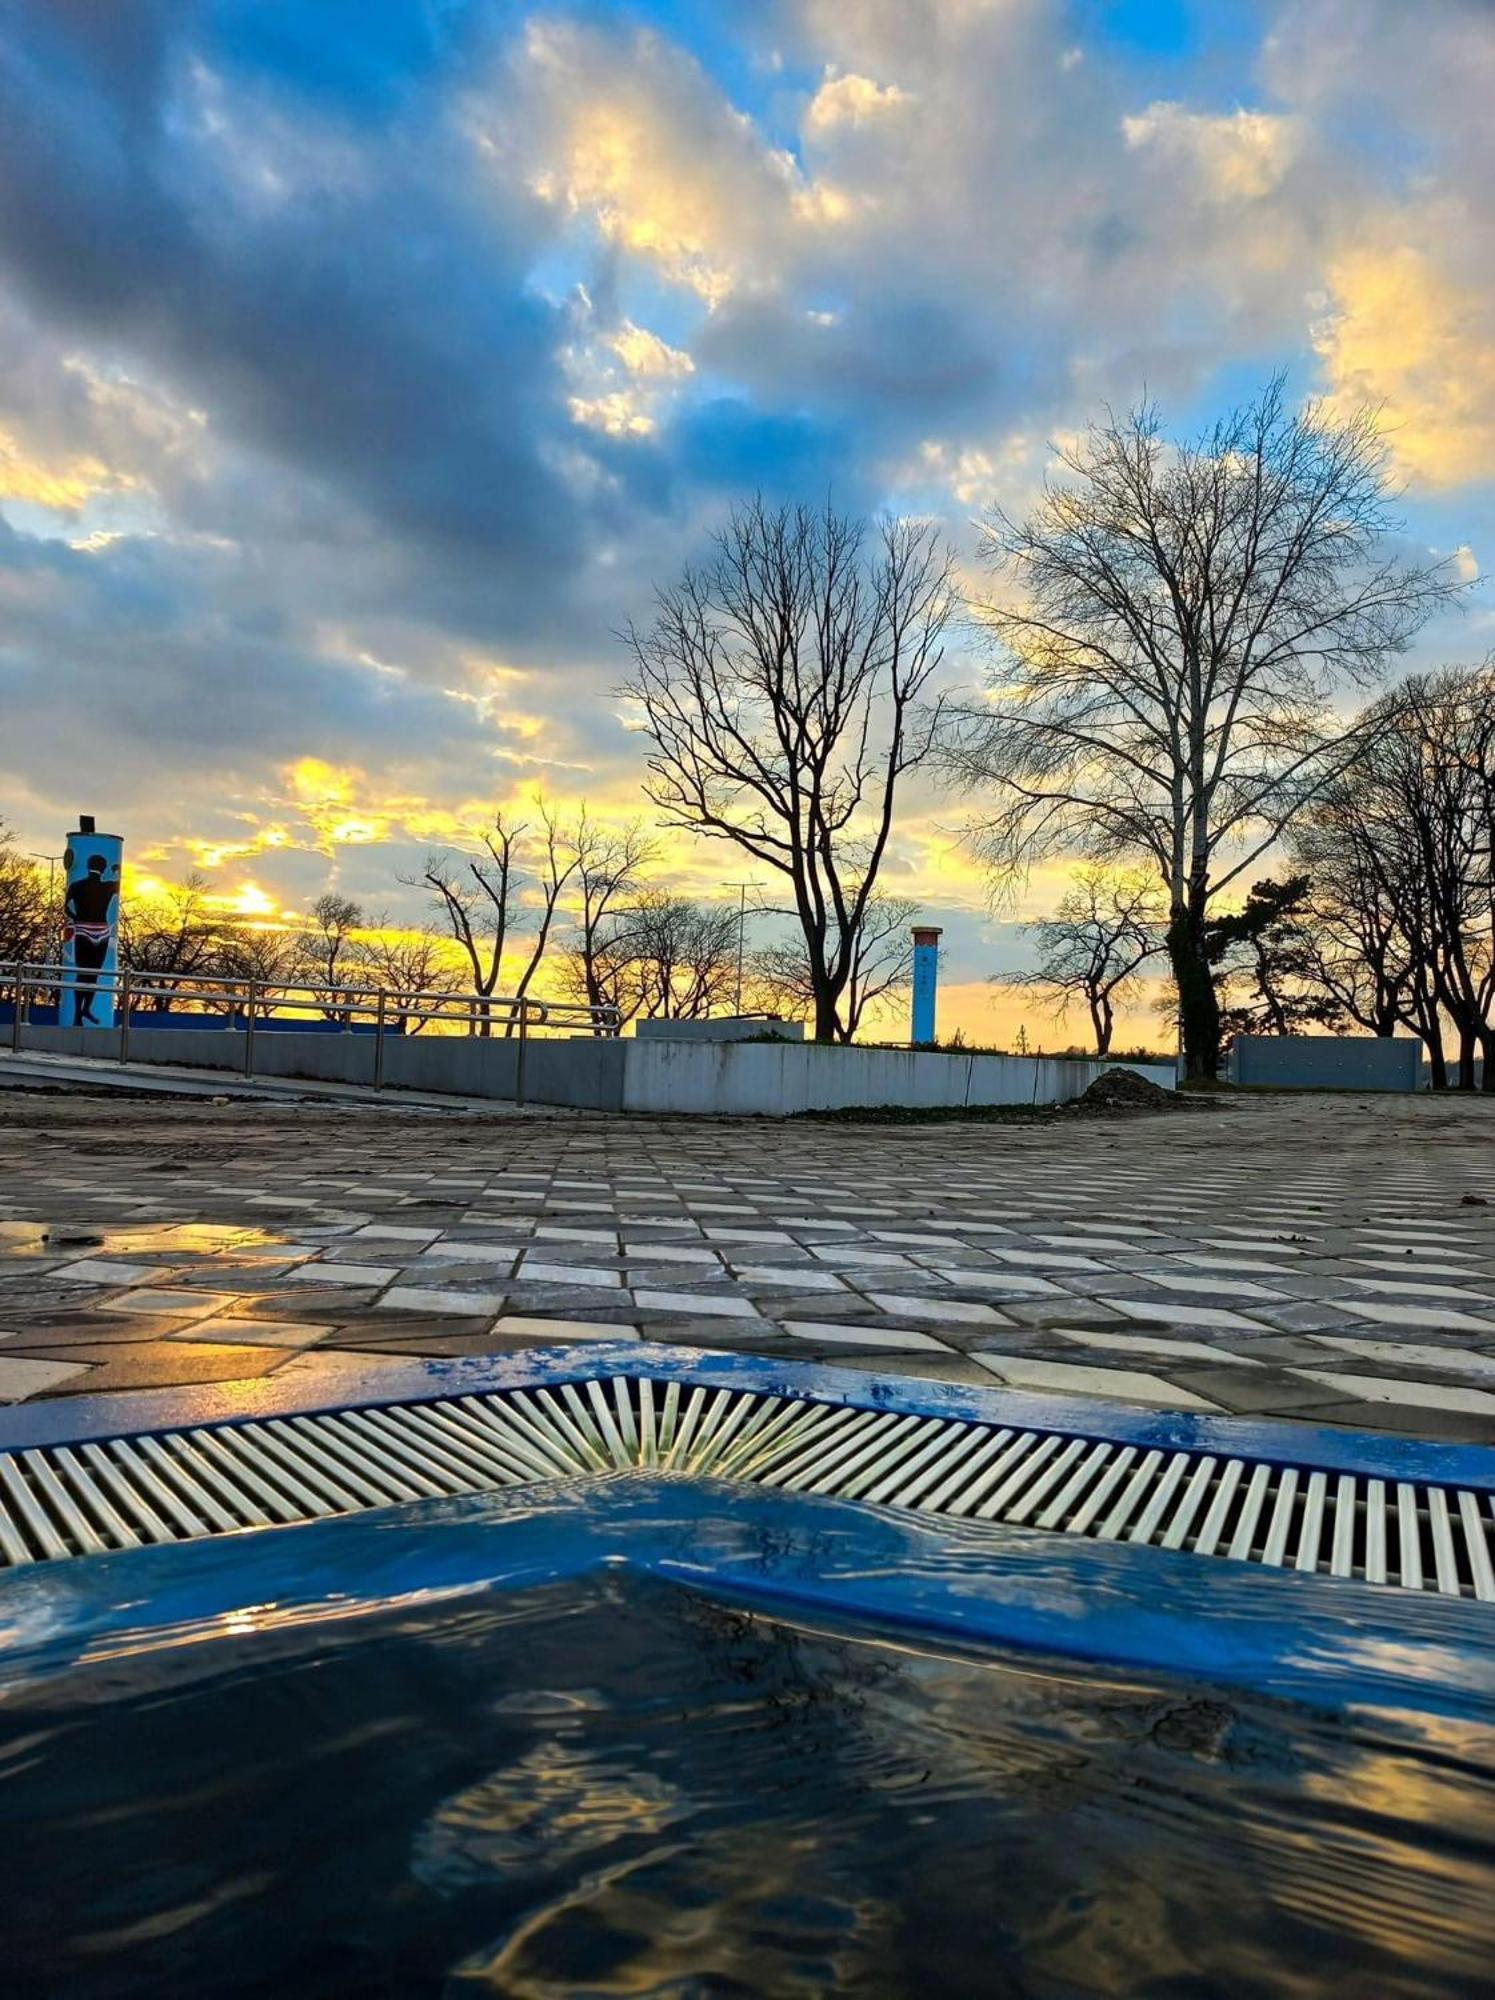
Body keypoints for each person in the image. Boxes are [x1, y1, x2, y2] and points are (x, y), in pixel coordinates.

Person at [64, 853, 119, 1025]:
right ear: (103, 869)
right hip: (102, 932)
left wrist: (76, 918)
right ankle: (85, 1009)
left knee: (82, 973)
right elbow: (118, 881)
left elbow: (66, 907)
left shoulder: (76, 885)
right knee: (93, 974)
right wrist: (115, 869)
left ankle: (78, 1014)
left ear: (87, 866)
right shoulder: (108, 887)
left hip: (83, 930)